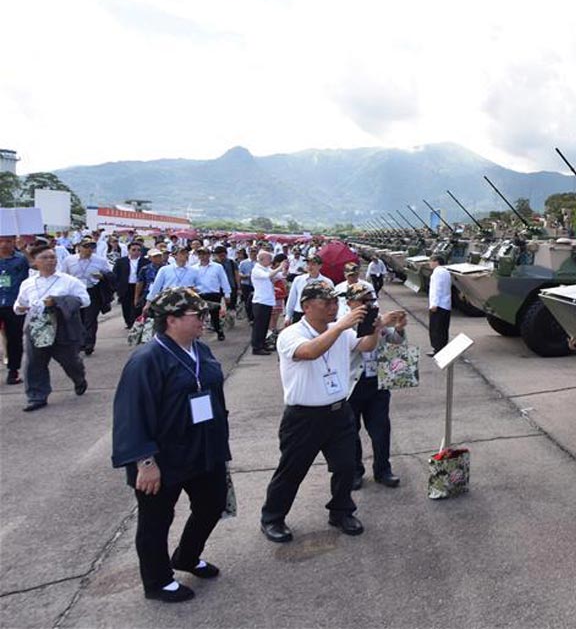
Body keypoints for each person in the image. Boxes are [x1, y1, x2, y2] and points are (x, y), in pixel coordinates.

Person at [111, 287, 231, 603]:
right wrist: (144, 462)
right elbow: (130, 414)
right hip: (164, 456)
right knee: (156, 520)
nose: (205, 319)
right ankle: (157, 581)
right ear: (172, 320)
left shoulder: (200, 350)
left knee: (213, 503)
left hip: (203, 447)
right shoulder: (147, 359)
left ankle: (187, 556)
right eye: (198, 315)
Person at [259, 282, 403, 543]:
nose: (333, 307)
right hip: (304, 417)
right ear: (306, 307)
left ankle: (341, 511)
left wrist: (375, 326)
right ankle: (272, 517)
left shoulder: (341, 333)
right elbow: (310, 352)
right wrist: (339, 326)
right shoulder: (291, 334)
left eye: (335, 302)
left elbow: (367, 346)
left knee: (346, 466)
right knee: (292, 471)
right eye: (326, 303)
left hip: (338, 412)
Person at [344, 283, 406, 489]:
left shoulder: (377, 319)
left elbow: (395, 342)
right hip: (353, 383)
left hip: (376, 381)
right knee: (351, 431)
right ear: (350, 303)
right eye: (362, 301)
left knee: (381, 429)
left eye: (370, 300)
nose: (367, 305)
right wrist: (377, 325)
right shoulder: (342, 323)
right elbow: (357, 343)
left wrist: (398, 328)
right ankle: (354, 471)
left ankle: (383, 469)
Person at [13, 245, 90, 412]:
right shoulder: (28, 283)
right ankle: (36, 396)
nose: (50, 261)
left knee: (70, 361)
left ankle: (79, 378)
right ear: (35, 262)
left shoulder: (68, 281)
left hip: (62, 327)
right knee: (34, 363)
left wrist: (58, 301)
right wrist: (20, 308)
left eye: (52, 257)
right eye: (45, 258)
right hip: (36, 327)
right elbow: (19, 304)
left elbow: (85, 300)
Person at [60, 238, 112, 355]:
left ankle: (89, 343)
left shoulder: (100, 261)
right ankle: (79, 341)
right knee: (77, 317)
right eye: (86, 246)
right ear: (79, 247)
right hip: (75, 292)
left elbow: (109, 274)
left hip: (92, 290)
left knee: (91, 318)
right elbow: (63, 275)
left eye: (91, 247)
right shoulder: (69, 260)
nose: (89, 250)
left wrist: (102, 276)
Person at [1, 236, 31, 384]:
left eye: (7, 241)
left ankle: (13, 371)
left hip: (14, 304)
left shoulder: (20, 259)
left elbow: (36, 265)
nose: (4, 244)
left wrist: (24, 249)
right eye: (1, 241)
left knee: (14, 339)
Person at [250, 251, 287, 356]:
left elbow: (280, 275)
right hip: (260, 301)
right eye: (269, 259)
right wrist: (279, 267)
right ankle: (256, 347)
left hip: (267, 300)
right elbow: (268, 275)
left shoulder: (266, 268)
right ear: (262, 259)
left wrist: (283, 268)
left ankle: (262, 343)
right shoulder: (257, 270)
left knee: (265, 325)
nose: (271, 261)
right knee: (259, 326)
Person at [192, 248, 232, 341]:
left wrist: (227, 294)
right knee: (199, 315)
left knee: (214, 315)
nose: (202, 256)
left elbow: (224, 280)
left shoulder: (217, 267)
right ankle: (197, 334)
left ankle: (219, 331)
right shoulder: (193, 268)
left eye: (204, 254)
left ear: (209, 255)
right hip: (199, 294)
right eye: (200, 254)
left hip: (213, 293)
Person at [284, 255, 333, 326]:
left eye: (313, 264)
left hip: (317, 314)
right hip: (299, 312)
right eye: (308, 264)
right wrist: (288, 315)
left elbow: (330, 301)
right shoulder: (298, 279)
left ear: (320, 266)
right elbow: (292, 298)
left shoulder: (327, 282)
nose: (310, 267)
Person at [114, 241, 149, 330]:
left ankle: (135, 322)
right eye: (133, 250)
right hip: (126, 286)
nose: (136, 252)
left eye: (138, 250)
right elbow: (116, 274)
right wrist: (117, 287)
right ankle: (128, 322)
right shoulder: (121, 261)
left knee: (137, 305)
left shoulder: (145, 262)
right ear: (129, 250)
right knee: (126, 305)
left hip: (139, 286)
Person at [427, 254, 451, 356]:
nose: (429, 263)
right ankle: (442, 348)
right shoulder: (445, 272)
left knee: (435, 328)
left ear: (436, 262)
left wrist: (434, 304)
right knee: (443, 328)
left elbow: (436, 289)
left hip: (438, 305)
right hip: (445, 305)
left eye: (431, 261)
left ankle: (437, 349)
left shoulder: (437, 272)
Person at [214, 246, 239, 318]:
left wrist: (239, 287)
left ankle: (230, 318)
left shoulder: (232, 262)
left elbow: (236, 275)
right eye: (219, 256)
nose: (221, 257)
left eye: (223, 255)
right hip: (217, 287)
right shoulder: (213, 264)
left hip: (231, 285)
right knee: (218, 304)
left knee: (231, 304)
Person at [237, 247, 256, 325]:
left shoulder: (259, 263)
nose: (253, 253)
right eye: (251, 251)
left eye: (254, 251)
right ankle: (250, 317)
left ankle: (255, 316)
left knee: (254, 301)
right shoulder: (243, 263)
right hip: (246, 284)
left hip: (255, 284)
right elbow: (239, 273)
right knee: (247, 302)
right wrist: (246, 275)